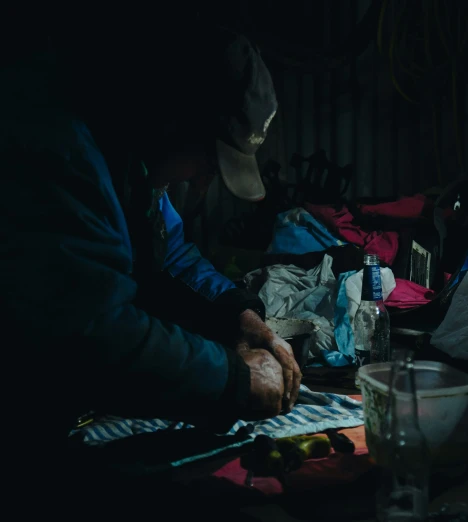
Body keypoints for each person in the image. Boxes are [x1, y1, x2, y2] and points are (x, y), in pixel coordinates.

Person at [0, 23, 302, 442]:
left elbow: (171, 253)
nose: (203, 182)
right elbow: (96, 331)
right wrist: (235, 380)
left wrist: (241, 315)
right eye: (208, 162)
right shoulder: (56, 151)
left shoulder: (133, 161)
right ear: (173, 116)